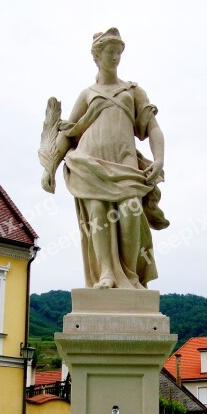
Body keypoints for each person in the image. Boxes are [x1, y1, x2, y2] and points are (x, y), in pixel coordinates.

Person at [39, 28, 169, 289]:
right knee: (98, 212)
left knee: (131, 210)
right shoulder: (87, 94)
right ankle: (107, 273)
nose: (115, 58)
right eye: (110, 52)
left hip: (125, 163)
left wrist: (159, 159)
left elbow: (152, 127)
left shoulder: (132, 90)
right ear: (97, 56)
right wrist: (50, 168)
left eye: (119, 53)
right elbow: (67, 134)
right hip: (90, 164)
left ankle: (130, 276)